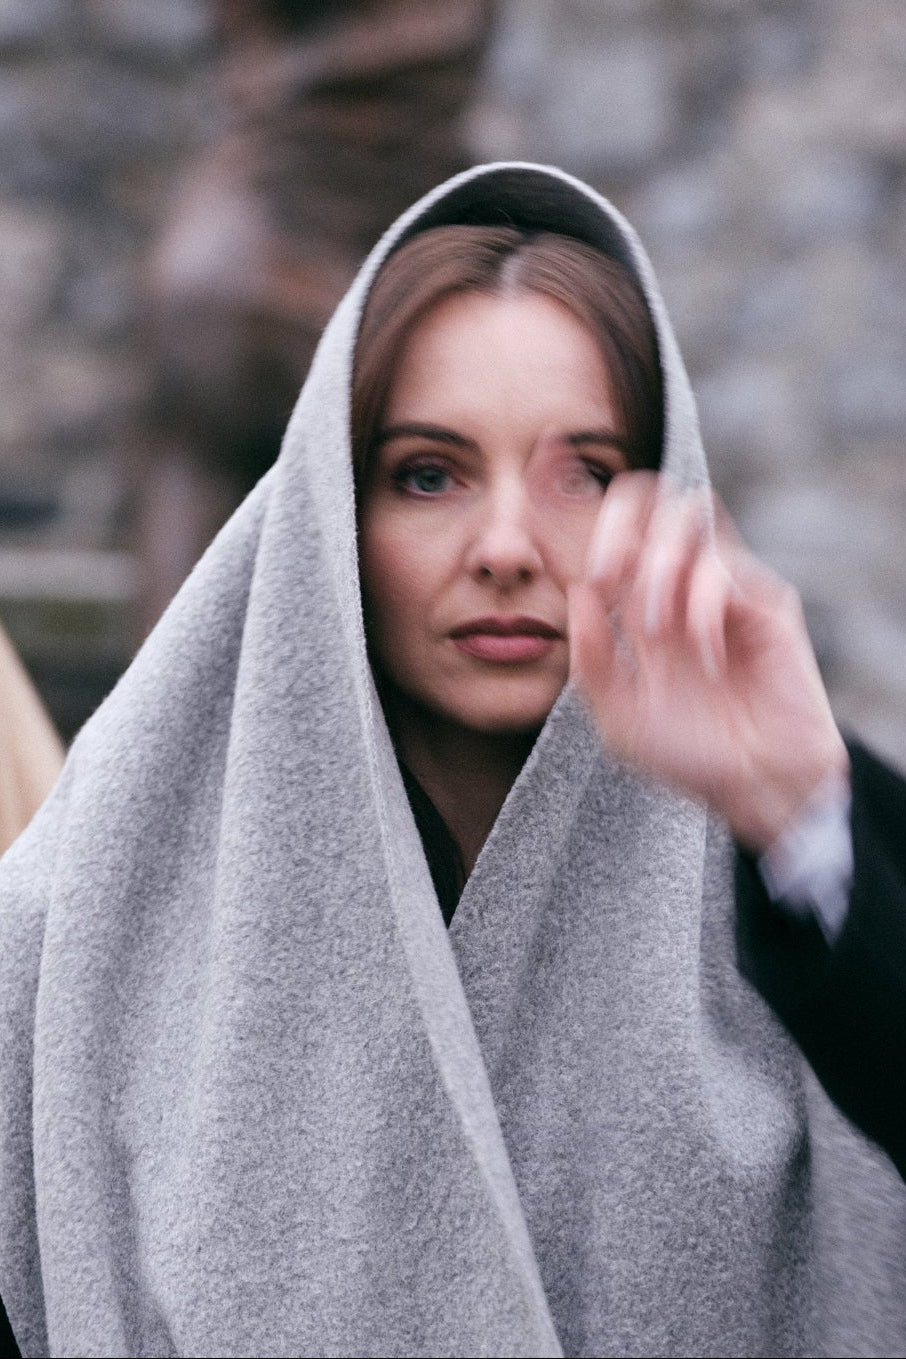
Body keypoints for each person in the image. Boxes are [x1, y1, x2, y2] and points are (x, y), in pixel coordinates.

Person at [1, 163, 905, 1358]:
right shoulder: (78, 927)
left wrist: (801, 813)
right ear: (333, 512)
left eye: (585, 472)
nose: (507, 548)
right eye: (429, 474)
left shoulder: (816, 898)